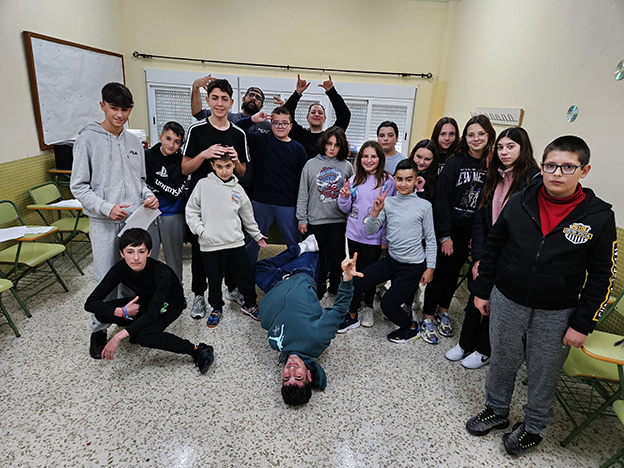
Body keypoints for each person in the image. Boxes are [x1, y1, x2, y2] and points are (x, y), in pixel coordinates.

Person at [465, 135, 617, 456]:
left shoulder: (598, 216)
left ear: (584, 170)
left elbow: (602, 276)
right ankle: (497, 409)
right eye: (550, 165)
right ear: (541, 166)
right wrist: (482, 290)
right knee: (503, 361)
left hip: (557, 311)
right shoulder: (520, 200)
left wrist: (582, 323)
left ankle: (533, 427)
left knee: (544, 371)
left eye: (567, 167)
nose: (557, 173)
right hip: (507, 299)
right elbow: (494, 247)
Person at [71, 82, 159, 356]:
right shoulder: (88, 139)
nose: (119, 115)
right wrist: (106, 207)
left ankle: (129, 324)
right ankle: (98, 330)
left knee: (136, 277)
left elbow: (141, 181)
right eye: (113, 108)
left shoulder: (134, 142)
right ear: (102, 106)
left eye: (124, 109)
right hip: (105, 223)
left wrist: (148, 195)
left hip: (134, 223)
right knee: (106, 280)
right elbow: (79, 186)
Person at [446, 127, 541, 370]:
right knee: (475, 297)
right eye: (500, 147)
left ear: (523, 148)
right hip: (487, 252)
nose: (504, 152)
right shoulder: (495, 175)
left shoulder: (533, 182)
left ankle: (483, 349)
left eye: (511, 147)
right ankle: (465, 343)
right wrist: (479, 258)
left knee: (495, 305)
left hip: (512, 258)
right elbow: (480, 221)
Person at [84, 228, 214, 374]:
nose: (136, 258)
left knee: (145, 337)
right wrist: (120, 311)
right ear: (121, 253)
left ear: (149, 252)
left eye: (141, 251)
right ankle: (137, 327)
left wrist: (120, 335)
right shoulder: (120, 269)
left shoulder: (161, 274)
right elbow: (90, 303)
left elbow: (153, 313)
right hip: (147, 300)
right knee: (103, 313)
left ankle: (197, 349)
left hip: (169, 303)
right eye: (130, 251)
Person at [256, 235, 363, 405]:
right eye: (298, 376)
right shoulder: (317, 338)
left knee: (257, 268)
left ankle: (297, 249)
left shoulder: (275, 344)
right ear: (309, 374)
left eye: (286, 378)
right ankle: (304, 250)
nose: (291, 370)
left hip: (274, 283)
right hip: (301, 273)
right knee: (313, 249)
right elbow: (340, 308)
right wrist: (348, 278)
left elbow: (269, 323)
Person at [342, 159, 436, 341]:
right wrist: (375, 212)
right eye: (399, 179)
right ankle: (352, 317)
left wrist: (430, 268)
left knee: (388, 305)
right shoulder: (388, 202)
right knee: (357, 280)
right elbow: (370, 230)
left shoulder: (425, 206)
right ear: (394, 180)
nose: (403, 183)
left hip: (412, 266)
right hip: (391, 260)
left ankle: (411, 327)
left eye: (408, 179)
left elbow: (431, 240)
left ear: (416, 180)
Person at [420, 115, 495, 345]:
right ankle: (428, 316)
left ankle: (444, 311)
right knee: (441, 274)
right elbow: (441, 200)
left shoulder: (492, 165)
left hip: (472, 231)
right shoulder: (455, 163)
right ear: (466, 137)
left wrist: (477, 235)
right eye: (471, 134)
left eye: (481, 134)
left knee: (454, 275)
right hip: (449, 229)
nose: (476, 139)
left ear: (489, 136)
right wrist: (444, 235)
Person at [182, 78, 250, 319]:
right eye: (215, 98)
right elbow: (185, 168)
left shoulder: (239, 133)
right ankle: (199, 295)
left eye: (224, 99)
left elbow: (242, 172)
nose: (220, 103)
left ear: (231, 102)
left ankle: (232, 289)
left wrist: (236, 160)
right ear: (208, 100)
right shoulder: (197, 130)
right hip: (203, 205)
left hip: (228, 204)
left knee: (231, 248)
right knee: (202, 251)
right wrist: (203, 154)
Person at [185, 155, 267, 327]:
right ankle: (216, 308)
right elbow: (191, 210)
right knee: (214, 279)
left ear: (233, 166)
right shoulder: (203, 185)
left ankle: (250, 304)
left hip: (235, 242)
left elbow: (247, 216)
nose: (224, 170)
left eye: (228, 166)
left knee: (245, 275)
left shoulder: (237, 188)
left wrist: (257, 235)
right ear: (212, 166)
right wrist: (201, 231)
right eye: (220, 166)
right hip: (210, 244)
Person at [235, 106, 308, 263]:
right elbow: (234, 130)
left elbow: (303, 183)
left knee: (295, 245)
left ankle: (297, 278)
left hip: (288, 204)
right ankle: (246, 283)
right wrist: (252, 119)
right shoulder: (261, 141)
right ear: (270, 124)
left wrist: (302, 211)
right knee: (252, 243)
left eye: (284, 123)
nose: (280, 126)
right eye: (276, 123)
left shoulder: (298, 149)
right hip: (261, 202)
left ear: (291, 126)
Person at [337, 141, 396, 328]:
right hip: (354, 235)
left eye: (373, 156)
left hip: (375, 238)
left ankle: (368, 306)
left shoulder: (388, 181)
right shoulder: (354, 180)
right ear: (359, 158)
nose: (369, 160)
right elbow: (345, 208)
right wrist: (344, 196)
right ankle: (354, 308)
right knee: (354, 271)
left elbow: (390, 213)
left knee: (368, 274)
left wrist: (385, 239)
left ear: (380, 158)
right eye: (365, 156)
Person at [296, 126, 355, 299]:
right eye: (329, 143)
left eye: (336, 145)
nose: (331, 148)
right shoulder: (311, 164)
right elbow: (303, 193)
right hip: (315, 220)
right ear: (323, 143)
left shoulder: (347, 166)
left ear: (341, 147)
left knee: (337, 256)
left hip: (338, 220)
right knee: (318, 257)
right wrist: (302, 218)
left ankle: (335, 286)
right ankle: (318, 285)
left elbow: (352, 194)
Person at [144, 121, 188, 281]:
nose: (171, 145)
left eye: (177, 142)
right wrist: (163, 185)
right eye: (168, 139)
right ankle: (151, 292)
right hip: (148, 213)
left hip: (173, 213)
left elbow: (176, 192)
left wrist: (153, 179)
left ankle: (176, 291)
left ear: (181, 144)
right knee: (148, 256)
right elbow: (140, 181)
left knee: (174, 258)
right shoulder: (147, 155)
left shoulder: (183, 161)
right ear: (161, 137)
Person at [284, 75, 351, 159]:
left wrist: (332, 92)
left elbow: (344, 115)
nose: (316, 114)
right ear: (307, 118)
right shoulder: (300, 135)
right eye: (313, 112)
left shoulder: (330, 136)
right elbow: (286, 115)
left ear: (324, 119)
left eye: (320, 113)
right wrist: (297, 93)